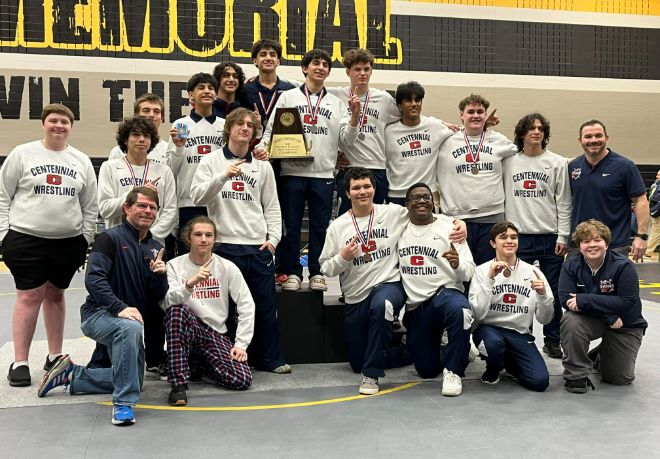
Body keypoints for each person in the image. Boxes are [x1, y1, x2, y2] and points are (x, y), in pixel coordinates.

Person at [320, 168, 466, 395]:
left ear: (374, 189)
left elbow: (423, 210)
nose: (362, 192)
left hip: (388, 285)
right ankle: (409, 350)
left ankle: (371, 376)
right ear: (347, 194)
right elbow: (326, 267)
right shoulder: (337, 227)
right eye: (356, 188)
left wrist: (458, 221)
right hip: (356, 295)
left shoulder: (392, 213)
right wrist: (343, 257)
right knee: (356, 362)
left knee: (383, 306)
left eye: (367, 186)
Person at [37, 187, 168, 426]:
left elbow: (156, 296)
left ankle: (71, 375)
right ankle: (124, 404)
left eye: (152, 207)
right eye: (141, 205)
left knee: (136, 379)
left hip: (128, 319)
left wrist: (161, 276)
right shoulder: (109, 238)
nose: (147, 211)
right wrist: (119, 307)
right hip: (97, 314)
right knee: (129, 328)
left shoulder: (156, 247)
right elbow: (94, 279)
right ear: (126, 208)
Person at [0, 103, 97, 387]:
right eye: (53, 120)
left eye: (65, 121)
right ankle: (20, 361)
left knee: (56, 295)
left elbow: (89, 205)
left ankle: (54, 355)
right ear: (44, 124)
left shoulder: (80, 160)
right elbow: (3, 195)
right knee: (29, 296)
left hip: (67, 242)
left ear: (71, 126)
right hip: (26, 238)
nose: (59, 126)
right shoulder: (22, 153)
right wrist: (3, 233)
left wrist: (85, 237)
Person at [192, 108, 290, 373]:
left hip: (257, 246)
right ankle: (228, 359)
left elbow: (271, 206)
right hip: (224, 245)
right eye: (239, 124)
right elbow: (197, 196)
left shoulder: (262, 166)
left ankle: (270, 359)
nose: (245, 128)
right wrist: (223, 176)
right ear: (229, 129)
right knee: (226, 310)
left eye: (249, 125)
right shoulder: (211, 161)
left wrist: (273, 240)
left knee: (265, 306)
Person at [256, 48, 359, 292]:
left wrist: (354, 117)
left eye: (325, 64)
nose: (321, 67)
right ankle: (291, 271)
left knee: (320, 227)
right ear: (305, 69)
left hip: (323, 174)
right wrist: (263, 147)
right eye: (316, 63)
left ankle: (317, 272)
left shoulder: (336, 102)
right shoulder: (288, 97)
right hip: (291, 172)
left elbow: (348, 141)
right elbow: (271, 131)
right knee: (291, 226)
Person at [96, 116, 177, 374]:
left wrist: (148, 236)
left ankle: (154, 357)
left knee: (155, 302)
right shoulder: (111, 168)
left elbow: (170, 210)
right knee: (117, 300)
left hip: (151, 246)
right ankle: (104, 358)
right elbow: (105, 207)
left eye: (146, 136)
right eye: (135, 135)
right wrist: (135, 192)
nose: (141, 139)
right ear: (125, 139)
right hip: (118, 244)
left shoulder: (162, 170)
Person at [162, 216, 254, 405]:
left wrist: (241, 344)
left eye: (208, 235)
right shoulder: (174, 265)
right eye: (198, 234)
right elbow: (166, 302)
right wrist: (190, 284)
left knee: (241, 379)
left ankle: (196, 364)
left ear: (214, 239)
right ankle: (178, 386)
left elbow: (246, 304)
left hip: (214, 333)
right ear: (188, 238)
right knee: (177, 311)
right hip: (186, 328)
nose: (203, 239)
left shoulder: (226, 267)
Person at [503, 113, 572, 359]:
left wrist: (563, 235)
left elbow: (564, 201)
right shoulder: (509, 161)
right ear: (522, 133)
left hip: (549, 237)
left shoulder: (556, 162)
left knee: (551, 292)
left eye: (541, 128)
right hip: (518, 237)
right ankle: (524, 337)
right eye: (531, 128)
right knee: (520, 291)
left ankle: (552, 340)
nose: (537, 132)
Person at [398, 183, 475, 396]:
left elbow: (469, 272)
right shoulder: (399, 229)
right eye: (416, 198)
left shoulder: (450, 229)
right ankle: (461, 351)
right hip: (417, 306)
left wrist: (458, 264)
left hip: (445, 294)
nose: (422, 201)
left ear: (433, 203)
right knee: (426, 370)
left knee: (460, 310)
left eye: (426, 197)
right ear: (407, 204)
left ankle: (453, 371)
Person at [559, 219, 647, 393]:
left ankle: (600, 355)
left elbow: (626, 302)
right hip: (603, 319)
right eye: (586, 241)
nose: (592, 245)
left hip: (626, 324)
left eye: (597, 240)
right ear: (579, 246)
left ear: (606, 244)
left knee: (619, 378)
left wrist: (584, 300)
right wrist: (609, 315)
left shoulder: (623, 265)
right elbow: (565, 300)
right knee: (571, 320)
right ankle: (576, 375)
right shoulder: (571, 265)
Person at [469, 222, 554, 392]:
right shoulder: (481, 271)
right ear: (493, 243)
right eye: (503, 237)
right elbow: (476, 314)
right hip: (490, 330)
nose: (509, 241)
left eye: (513, 237)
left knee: (539, 382)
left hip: (520, 335)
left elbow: (545, 318)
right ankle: (492, 370)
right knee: (493, 344)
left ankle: (508, 362)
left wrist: (543, 294)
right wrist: (490, 279)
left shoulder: (533, 272)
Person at [242, 39, 299, 285]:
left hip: (284, 160)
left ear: (279, 60)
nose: (268, 57)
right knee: (254, 209)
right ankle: (255, 261)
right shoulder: (245, 90)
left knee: (283, 213)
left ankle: (282, 267)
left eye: (272, 54)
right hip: (253, 158)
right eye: (262, 54)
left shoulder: (291, 90)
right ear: (255, 61)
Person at [435, 94, 517, 265]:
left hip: (492, 217)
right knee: (458, 268)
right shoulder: (446, 139)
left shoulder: (499, 140)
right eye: (470, 111)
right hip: (456, 218)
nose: (475, 115)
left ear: (486, 115)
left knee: (488, 269)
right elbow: (424, 127)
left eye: (480, 112)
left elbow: (523, 154)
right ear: (461, 115)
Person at [329, 48, 401, 214]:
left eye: (366, 69)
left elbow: (409, 117)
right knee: (346, 219)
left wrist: (442, 123)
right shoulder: (335, 95)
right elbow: (303, 86)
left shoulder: (384, 98)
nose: (362, 73)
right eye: (357, 69)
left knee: (378, 219)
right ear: (348, 72)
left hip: (376, 167)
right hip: (349, 168)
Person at [568, 119, 649, 261]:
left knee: (614, 284)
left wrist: (641, 236)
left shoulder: (625, 166)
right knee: (574, 283)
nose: (593, 140)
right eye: (588, 137)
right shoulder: (573, 166)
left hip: (614, 244)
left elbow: (640, 200)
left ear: (606, 138)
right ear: (580, 140)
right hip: (579, 245)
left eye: (598, 135)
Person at [168, 73, 225, 254]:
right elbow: (171, 169)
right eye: (201, 87)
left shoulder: (225, 126)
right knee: (188, 254)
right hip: (188, 201)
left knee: (217, 253)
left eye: (211, 88)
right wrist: (178, 149)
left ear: (216, 94)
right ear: (190, 94)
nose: (207, 91)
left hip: (218, 201)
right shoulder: (182, 124)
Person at [384, 82, 454, 206]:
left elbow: (463, 132)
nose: (414, 104)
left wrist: (484, 124)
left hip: (425, 195)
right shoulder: (388, 131)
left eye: (417, 100)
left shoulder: (434, 126)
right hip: (397, 195)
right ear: (400, 106)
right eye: (408, 100)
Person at [108, 93, 169, 165]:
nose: (151, 115)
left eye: (156, 111)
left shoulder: (168, 150)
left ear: (162, 118)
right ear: (136, 116)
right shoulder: (118, 152)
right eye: (146, 110)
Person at [645, 169, 660, 259]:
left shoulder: (657, 185)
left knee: (655, 231)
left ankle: (648, 250)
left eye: (658, 175)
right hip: (655, 212)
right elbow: (652, 199)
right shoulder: (656, 185)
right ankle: (648, 250)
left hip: (655, 212)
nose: (656, 176)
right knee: (654, 231)